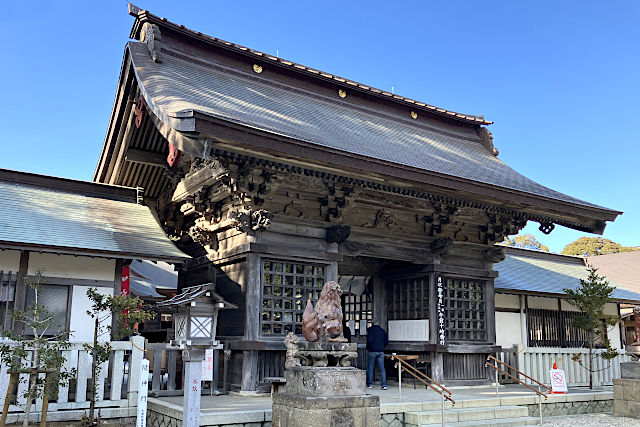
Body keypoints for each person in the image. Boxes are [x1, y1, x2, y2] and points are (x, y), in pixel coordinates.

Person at [366, 319, 388, 390]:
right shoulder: (382, 331)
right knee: (382, 368)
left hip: (372, 350)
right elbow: (386, 342)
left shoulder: (370, 331)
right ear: (378, 323)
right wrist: (382, 347)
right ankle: (384, 385)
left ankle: (369, 384)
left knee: (370, 367)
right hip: (381, 351)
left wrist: (368, 347)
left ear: (372, 323)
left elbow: (369, 340)